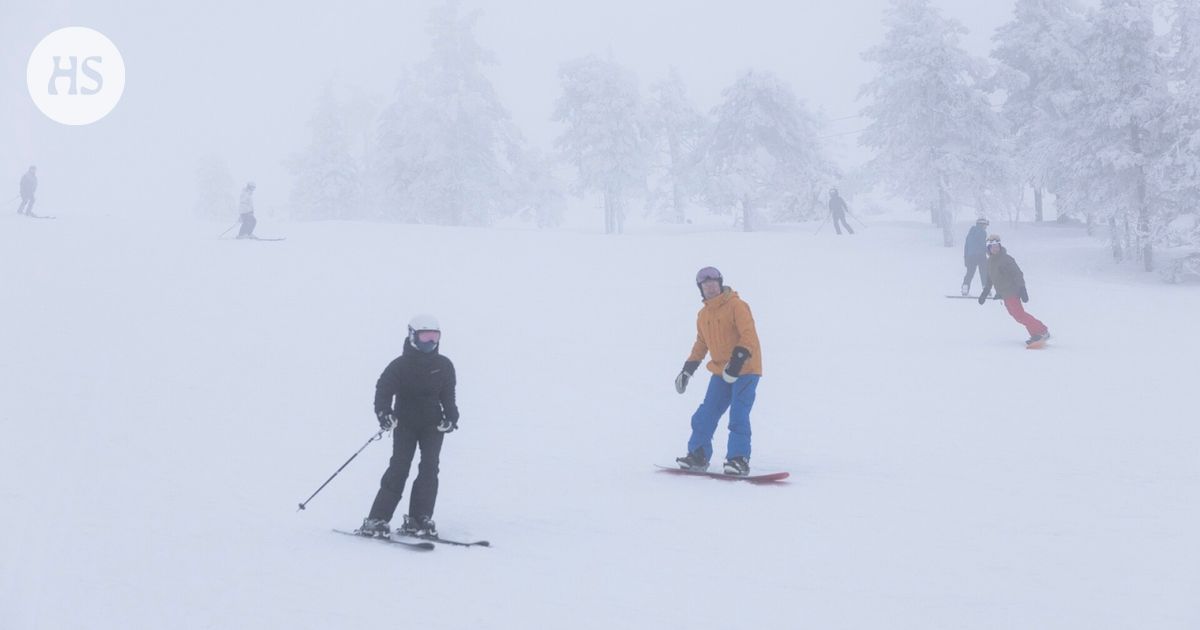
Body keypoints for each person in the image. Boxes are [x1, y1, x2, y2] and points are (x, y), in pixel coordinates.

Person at [359, 314, 459, 538]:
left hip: (433, 426)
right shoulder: (399, 366)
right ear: (412, 336)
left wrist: (451, 418)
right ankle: (377, 519)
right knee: (400, 467)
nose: (430, 342)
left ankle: (419, 518)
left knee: (430, 469)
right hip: (405, 424)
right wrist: (385, 414)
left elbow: (449, 397)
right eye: (425, 337)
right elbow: (382, 391)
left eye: (434, 337)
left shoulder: (444, 366)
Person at [674, 267, 763, 476]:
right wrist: (687, 370)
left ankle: (738, 459)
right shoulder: (703, 315)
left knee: (738, 415)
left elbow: (748, 336)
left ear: (720, 283)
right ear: (701, 289)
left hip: (747, 370)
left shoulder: (737, 306)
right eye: (705, 284)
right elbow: (701, 344)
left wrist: (736, 362)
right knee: (706, 414)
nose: (710, 286)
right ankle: (698, 455)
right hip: (721, 372)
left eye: (714, 282)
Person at [978, 235, 1051, 346]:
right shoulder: (990, 262)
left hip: (1012, 291)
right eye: (992, 247)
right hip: (1005, 294)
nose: (995, 249)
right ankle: (1036, 334)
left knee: (1020, 315)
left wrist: (1022, 289)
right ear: (988, 249)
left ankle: (1041, 330)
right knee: (1017, 316)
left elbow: (1017, 274)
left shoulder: (1006, 259)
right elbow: (990, 279)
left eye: (997, 246)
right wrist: (985, 292)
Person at [962, 217, 990, 296]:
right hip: (981, 256)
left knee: (970, 273)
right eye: (985, 225)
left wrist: (966, 258)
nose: (986, 227)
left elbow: (966, 247)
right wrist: (989, 253)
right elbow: (983, 245)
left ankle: (965, 287)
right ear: (982, 224)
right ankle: (986, 290)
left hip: (970, 257)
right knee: (984, 273)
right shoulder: (982, 232)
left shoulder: (970, 233)